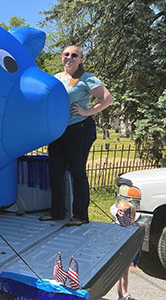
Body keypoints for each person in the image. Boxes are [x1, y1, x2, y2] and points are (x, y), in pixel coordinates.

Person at [39, 45, 113, 226]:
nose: (69, 58)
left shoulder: (86, 79)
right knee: (55, 172)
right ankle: (57, 212)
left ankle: (80, 215)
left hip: (79, 129)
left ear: (80, 59)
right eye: (66, 54)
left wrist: (86, 111)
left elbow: (107, 98)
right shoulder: (57, 78)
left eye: (74, 55)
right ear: (61, 56)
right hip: (59, 131)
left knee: (78, 172)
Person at [114, 200, 137, 300]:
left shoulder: (132, 226)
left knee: (125, 273)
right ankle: (120, 296)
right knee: (118, 275)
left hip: (127, 255)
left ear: (131, 215)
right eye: (120, 211)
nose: (122, 214)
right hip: (118, 254)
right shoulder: (115, 224)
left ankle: (125, 292)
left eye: (126, 212)